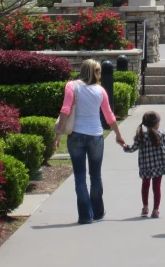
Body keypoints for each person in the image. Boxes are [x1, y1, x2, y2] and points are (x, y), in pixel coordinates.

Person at [54, 59, 126, 224]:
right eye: (98, 71)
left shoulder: (72, 86)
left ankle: (85, 215)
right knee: (95, 175)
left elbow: (65, 110)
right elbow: (109, 115)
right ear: (92, 72)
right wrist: (118, 134)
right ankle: (98, 211)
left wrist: (59, 133)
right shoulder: (100, 90)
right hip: (96, 136)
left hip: (76, 136)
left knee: (80, 177)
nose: (100, 75)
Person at [123, 111, 165, 218]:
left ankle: (145, 207)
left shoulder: (141, 135)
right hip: (159, 166)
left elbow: (132, 149)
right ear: (156, 123)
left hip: (145, 166)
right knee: (157, 187)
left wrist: (124, 145)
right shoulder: (162, 134)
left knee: (145, 186)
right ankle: (155, 210)